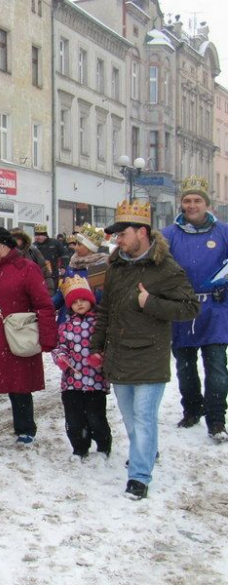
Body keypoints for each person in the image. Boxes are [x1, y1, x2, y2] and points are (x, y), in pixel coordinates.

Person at [90, 200, 199, 500]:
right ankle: (146, 451)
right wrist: (96, 345)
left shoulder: (166, 267)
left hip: (150, 354)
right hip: (119, 355)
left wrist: (150, 303)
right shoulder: (116, 267)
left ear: (141, 232)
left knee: (144, 417)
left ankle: (139, 475)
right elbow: (105, 310)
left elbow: (190, 307)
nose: (117, 240)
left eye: (122, 234)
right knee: (129, 417)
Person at [0, 227, 57, 454]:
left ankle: (25, 430)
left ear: (9, 247)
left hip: (15, 338)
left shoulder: (27, 269)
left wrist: (48, 338)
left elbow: (44, 305)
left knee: (19, 385)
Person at [161, 177, 228, 441]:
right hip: (182, 309)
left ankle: (216, 419)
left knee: (216, 366)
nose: (192, 205)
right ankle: (192, 409)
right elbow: (157, 266)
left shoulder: (223, 231)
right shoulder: (169, 235)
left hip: (215, 308)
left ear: (207, 205)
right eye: (187, 200)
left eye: (197, 200)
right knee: (185, 366)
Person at [51, 276, 111, 460]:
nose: (79, 304)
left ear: (91, 300)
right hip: (71, 382)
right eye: (75, 302)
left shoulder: (99, 324)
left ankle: (103, 445)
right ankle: (79, 447)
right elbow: (58, 345)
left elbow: (107, 344)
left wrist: (100, 356)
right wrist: (61, 358)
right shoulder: (65, 326)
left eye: (83, 300)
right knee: (74, 419)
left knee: (96, 416)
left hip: (96, 381)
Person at [51, 224, 109, 324]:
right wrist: (46, 304)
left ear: (89, 248)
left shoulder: (99, 268)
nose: (75, 247)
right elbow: (62, 293)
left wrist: (81, 294)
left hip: (88, 323)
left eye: (79, 244)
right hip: (66, 320)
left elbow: (101, 299)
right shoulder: (72, 265)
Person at [11, 228, 55, 295]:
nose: (15, 241)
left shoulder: (32, 251)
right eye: (13, 238)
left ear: (23, 239)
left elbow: (45, 272)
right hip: (13, 294)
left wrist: (48, 292)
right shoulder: (6, 254)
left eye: (18, 238)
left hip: (34, 292)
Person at [33, 223, 70, 289]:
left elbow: (65, 254)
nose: (37, 237)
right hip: (38, 275)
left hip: (53, 274)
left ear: (45, 235)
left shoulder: (55, 243)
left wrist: (63, 266)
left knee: (52, 292)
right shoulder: (33, 246)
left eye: (40, 235)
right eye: (36, 235)